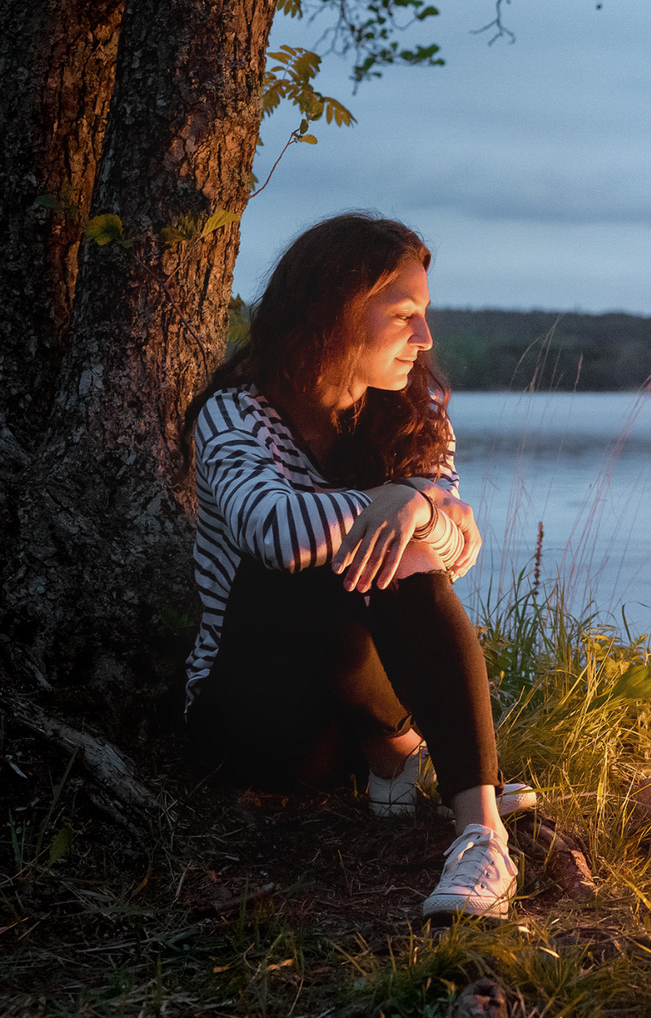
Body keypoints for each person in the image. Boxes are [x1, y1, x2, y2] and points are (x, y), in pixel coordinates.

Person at [182, 213, 524, 919]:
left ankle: (481, 837)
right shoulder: (234, 412)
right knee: (312, 567)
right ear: (332, 310)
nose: (424, 338)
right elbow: (271, 529)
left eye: (424, 315)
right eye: (403, 315)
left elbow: (457, 552)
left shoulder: (412, 413)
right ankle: (398, 749)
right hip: (256, 720)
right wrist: (402, 500)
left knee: (413, 553)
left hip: (350, 706)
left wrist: (418, 506)